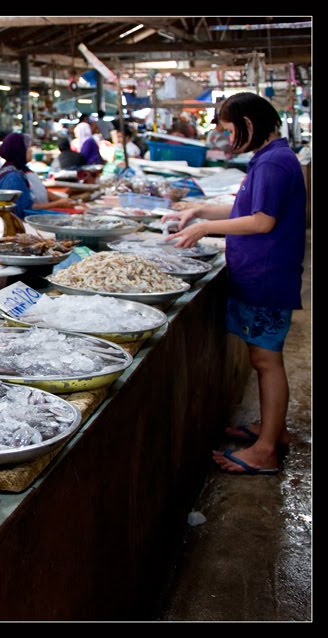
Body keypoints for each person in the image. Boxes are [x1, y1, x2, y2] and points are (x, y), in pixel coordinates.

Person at [166, 92, 305, 476]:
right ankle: (270, 429)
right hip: (261, 273)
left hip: (267, 276)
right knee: (263, 360)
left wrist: (206, 227)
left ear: (247, 124)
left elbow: (262, 222)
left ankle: (266, 450)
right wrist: (200, 210)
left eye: (230, 131)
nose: (229, 140)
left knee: (266, 361)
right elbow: (247, 209)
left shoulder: (274, 163)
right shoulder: (267, 159)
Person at [0, 133, 78, 219]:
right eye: (28, 148)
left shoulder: (21, 169)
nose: (31, 151)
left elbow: (41, 191)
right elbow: (25, 210)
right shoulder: (13, 177)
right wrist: (59, 204)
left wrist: (64, 200)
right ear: (19, 150)